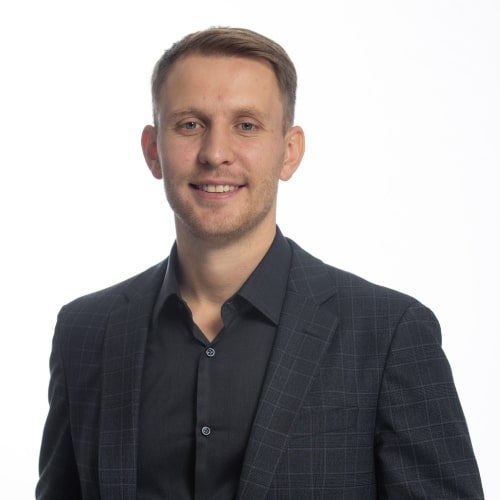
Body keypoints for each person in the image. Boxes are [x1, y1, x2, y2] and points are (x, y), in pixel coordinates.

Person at [36, 27, 483, 499]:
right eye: (190, 124)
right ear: (153, 151)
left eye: (246, 125)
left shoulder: (389, 334)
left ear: (289, 152)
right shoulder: (85, 333)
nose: (215, 154)